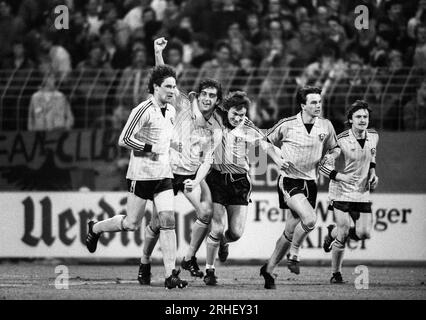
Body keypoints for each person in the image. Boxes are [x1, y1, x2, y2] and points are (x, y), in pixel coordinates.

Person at [85, 64, 188, 289]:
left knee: (168, 221)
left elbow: (166, 139)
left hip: (163, 175)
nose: (173, 90)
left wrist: (177, 147)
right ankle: (95, 228)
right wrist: (150, 147)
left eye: (174, 86)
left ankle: (172, 274)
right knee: (131, 223)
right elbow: (124, 139)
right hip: (141, 175)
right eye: (168, 86)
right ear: (155, 87)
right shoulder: (143, 109)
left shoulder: (171, 110)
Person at [137, 37, 223, 284]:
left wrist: (196, 179)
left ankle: (189, 257)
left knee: (206, 211)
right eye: (204, 94)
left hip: (190, 174)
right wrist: (157, 52)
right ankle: (144, 262)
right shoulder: (182, 101)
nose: (207, 98)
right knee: (156, 222)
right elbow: (163, 79)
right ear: (199, 95)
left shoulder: (216, 125)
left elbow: (207, 159)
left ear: (217, 100)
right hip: (168, 170)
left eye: (212, 96)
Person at [204, 90, 288, 286]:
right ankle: (209, 270)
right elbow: (196, 102)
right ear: (227, 110)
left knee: (235, 233)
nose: (238, 118)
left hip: (240, 181)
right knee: (216, 227)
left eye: (242, 115)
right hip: (215, 178)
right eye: (235, 114)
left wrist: (277, 161)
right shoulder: (215, 117)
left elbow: (266, 144)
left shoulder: (247, 125)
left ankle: (224, 242)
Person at [260, 86, 338, 289]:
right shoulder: (287, 124)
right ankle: (294, 254)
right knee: (310, 219)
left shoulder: (326, 126)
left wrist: (331, 155)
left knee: (289, 230)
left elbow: (336, 148)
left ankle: (268, 269)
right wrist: (277, 159)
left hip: (311, 182)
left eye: (319, 102)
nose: (318, 105)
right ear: (303, 105)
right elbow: (265, 141)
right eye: (313, 102)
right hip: (289, 181)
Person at [320, 100, 379, 283]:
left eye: (365, 117)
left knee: (364, 234)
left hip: (362, 192)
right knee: (344, 233)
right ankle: (336, 274)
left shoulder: (374, 136)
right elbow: (323, 166)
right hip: (341, 192)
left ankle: (332, 232)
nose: (362, 120)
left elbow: (372, 157)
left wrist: (373, 174)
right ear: (350, 120)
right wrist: (341, 176)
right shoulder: (341, 140)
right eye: (358, 117)